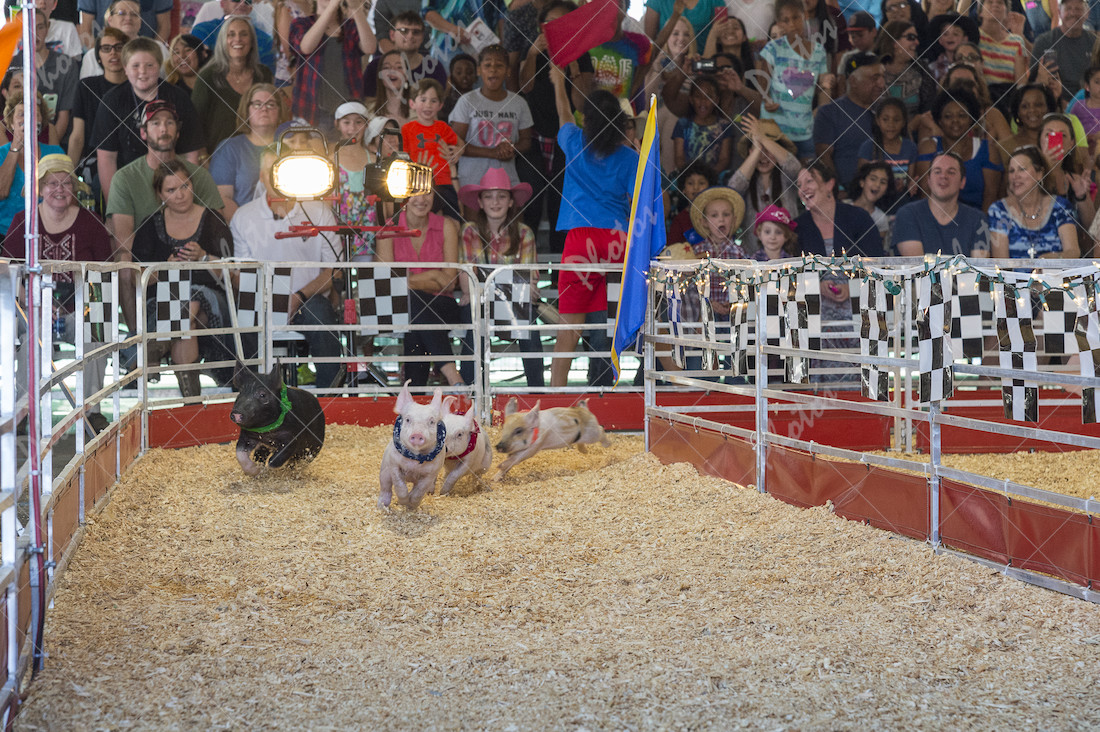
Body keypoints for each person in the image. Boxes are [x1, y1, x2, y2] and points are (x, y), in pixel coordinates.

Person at [2, 154, 112, 432]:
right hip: (35, 306)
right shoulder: (23, 221)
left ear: (74, 188)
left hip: (79, 306)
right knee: (33, 336)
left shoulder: (91, 222)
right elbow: (8, 270)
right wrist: (31, 300)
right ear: (40, 188)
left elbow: (104, 273)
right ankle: (24, 412)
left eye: (66, 183)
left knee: (95, 331)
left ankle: (92, 411)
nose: (60, 189)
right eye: (52, 183)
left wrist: (84, 306)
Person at [548, 65, 638, 388]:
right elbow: (639, 203)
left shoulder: (573, 142)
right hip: (619, 240)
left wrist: (559, 83)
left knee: (569, 330)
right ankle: (671, 386)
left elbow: (563, 115)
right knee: (634, 319)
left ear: (586, 120)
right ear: (621, 124)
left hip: (580, 241)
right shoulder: (630, 158)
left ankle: (555, 396)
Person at [231, 144, 345, 389]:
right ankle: (250, 395)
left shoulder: (319, 211)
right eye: (272, 171)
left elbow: (335, 270)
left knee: (321, 313)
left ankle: (330, 397)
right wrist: (271, 299)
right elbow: (240, 275)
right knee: (245, 317)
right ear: (262, 176)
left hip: (308, 300)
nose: (278, 177)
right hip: (262, 301)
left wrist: (298, 296)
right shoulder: (243, 216)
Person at [106, 100, 224, 331]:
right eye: (155, 123)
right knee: (124, 261)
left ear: (178, 132)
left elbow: (219, 232)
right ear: (143, 132)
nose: (163, 129)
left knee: (191, 306)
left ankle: (157, 343)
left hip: (197, 269)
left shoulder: (199, 176)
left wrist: (195, 257)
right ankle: (136, 338)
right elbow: (124, 243)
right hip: (151, 267)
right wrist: (161, 265)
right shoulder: (125, 178)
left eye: (170, 123)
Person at [131, 158, 235, 395]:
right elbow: (137, 278)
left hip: (211, 305)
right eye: (171, 190)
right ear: (159, 194)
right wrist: (164, 268)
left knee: (191, 300)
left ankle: (156, 347)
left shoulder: (213, 219)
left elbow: (230, 273)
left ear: (192, 185)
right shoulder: (150, 225)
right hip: (163, 304)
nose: (180, 195)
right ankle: (191, 402)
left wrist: (204, 257)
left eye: (185, 186)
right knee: (186, 321)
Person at [456, 167, 543, 387]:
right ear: (480, 202)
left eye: (502, 196)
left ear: (511, 201)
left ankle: (538, 392)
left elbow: (529, 286)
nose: (495, 202)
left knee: (530, 325)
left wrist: (484, 285)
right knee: (476, 323)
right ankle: (470, 393)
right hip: (483, 306)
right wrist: (512, 285)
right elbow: (466, 285)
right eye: (489, 196)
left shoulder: (525, 233)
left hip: (513, 306)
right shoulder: (469, 231)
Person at [90, 37, 205, 204]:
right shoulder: (112, 101)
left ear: (159, 67)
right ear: (125, 69)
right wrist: (114, 206)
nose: (142, 72)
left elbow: (191, 153)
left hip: (172, 182)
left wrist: (186, 198)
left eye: (149, 65)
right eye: (135, 66)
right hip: (128, 182)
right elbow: (106, 158)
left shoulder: (178, 97)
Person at [375, 191, 465, 388]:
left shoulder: (446, 226)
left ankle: (414, 393)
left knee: (415, 310)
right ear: (403, 195)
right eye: (414, 193)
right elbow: (387, 283)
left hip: (442, 305)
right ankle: (452, 375)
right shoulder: (388, 227)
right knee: (415, 307)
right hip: (401, 307)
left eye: (427, 193)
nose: (421, 200)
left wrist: (407, 282)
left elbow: (449, 282)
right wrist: (433, 275)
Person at [449, 44, 533, 193]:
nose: (493, 69)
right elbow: (455, 143)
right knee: (473, 210)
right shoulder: (467, 101)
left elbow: (526, 141)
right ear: (479, 70)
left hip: (506, 180)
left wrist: (511, 149)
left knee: (505, 208)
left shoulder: (519, 103)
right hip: (471, 180)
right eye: (487, 65)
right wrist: (493, 153)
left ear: (508, 71)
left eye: (499, 65)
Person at [759, 0, 833, 161]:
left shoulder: (819, 51)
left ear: (804, 16)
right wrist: (767, 100)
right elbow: (763, 85)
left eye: (796, 17)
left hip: (805, 132)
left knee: (807, 172)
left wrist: (819, 111)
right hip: (776, 133)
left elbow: (823, 89)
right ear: (779, 23)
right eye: (785, 20)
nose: (792, 24)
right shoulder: (772, 49)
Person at [191, 16, 275, 153]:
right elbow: (194, 125)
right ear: (223, 41)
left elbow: (273, 117)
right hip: (217, 157)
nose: (238, 39)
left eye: (243, 34)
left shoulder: (263, 75)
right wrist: (202, 158)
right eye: (231, 34)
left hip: (259, 155)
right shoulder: (207, 77)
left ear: (252, 41)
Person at [288, 0, 376, 126]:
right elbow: (306, 47)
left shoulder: (350, 25)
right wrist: (332, 6)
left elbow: (370, 48)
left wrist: (356, 8)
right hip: (311, 109)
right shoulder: (301, 23)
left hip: (348, 111)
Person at [915, 88, 1003, 212]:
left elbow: (990, 196)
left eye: (962, 116)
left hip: (977, 218)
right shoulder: (928, 147)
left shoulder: (988, 150)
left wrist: (980, 224)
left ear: (971, 119)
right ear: (939, 121)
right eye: (948, 116)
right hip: (936, 218)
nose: (955, 121)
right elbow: (925, 194)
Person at [67, 27, 127, 206]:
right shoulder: (86, 87)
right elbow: (77, 137)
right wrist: (68, 176)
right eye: (106, 48)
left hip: (131, 160)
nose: (113, 53)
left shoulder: (137, 87)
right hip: (93, 162)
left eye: (118, 47)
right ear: (98, 56)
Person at [209, 83, 286, 221]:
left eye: (271, 105)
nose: (264, 109)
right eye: (257, 104)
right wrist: (248, 226)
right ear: (247, 111)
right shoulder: (229, 148)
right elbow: (222, 198)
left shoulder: (291, 145)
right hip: (243, 225)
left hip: (287, 224)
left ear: (280, 112)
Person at [729, 114, 801, 255]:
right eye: (758, 150)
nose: (763, 156)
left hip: (788, 257)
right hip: (753, 258)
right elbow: (733, 188)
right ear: (750, 152)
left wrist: (762, 138)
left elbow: (794, 167)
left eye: (768, 150)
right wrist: (757, 148)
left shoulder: (787, 177)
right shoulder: (748, 179)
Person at [989, 145, 1079, 258]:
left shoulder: (1060, 206)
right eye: (1011, 171)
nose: (1015, 176)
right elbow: (1001, 263)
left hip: (1052, 270)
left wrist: (1050, 259)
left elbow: (1073, 252)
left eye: (1022, 169)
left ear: (1039, 173)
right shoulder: (999, 210)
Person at [813, 52, 886, 190]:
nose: (881, 84)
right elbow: (824, 156)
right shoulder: (830, 113)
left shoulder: (888, 111)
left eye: (883, 77)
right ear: (853, 81)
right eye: (874, 78)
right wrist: (837, 190)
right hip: (848, 191)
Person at [894, 151, 989, 255]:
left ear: (962, 182)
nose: (943, 176)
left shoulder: (977, 219)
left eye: (951, 172)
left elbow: (979, 263)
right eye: (937, 171)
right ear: (928, 180)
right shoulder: (908, 214)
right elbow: (917, 263)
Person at [0, 93, 64, 234]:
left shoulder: (55, 153)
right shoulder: (1, 154)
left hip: (47, 232)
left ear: (41, 121)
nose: (28, 119)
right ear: (11, 122)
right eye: (22, 114)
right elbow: (1, 192)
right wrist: (16, 145)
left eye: (35, 114)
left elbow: (68, 196)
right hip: (6, 233)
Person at [795, 161, 884, 257]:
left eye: (809, 181)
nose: (803, 189)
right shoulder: (797, 227)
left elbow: (875, 260)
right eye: (799, 185)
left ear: (829, 184)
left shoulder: (860, 218)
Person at [403, 79, 461, 220]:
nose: (428, 105)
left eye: (433, 101)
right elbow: (403, 158)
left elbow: (460, 143)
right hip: (419, 185)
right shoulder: (407, 129)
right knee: (422, 220)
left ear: (440, 105)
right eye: (423, 100)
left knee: (453, 219)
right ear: (412, 103)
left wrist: (459, 150)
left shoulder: (443, 127)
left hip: (444, 182)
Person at [690, 187, 748, 317]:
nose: (721, 219)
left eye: (726, 214)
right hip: (704, 314)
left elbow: (745, 284)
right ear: (704, 222)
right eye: (714, 215)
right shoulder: (697, 252)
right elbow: (691, 286)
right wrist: (707, 302)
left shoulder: (739, 253)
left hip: (733, 313)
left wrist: (735, 301)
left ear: (733, 219)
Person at [332, 101, 377, 260]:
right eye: (346, 122)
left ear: (366, 125)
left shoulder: (374, 161)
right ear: (337, 124)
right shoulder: (330, 161)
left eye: (358, 122)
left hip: (367, 239)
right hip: (334, 237)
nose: (352, 128)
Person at [363, 12, 445, 99]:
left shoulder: (434, 67)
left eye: (416, 32)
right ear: (392, 35)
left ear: (422, 37)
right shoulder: (375, 66)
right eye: (404, 31)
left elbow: (439, 101)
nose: (410, 36)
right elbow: (367, 100)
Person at [1037, 113, 1095, 232]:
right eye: (1049, 134)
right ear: (1039, 141)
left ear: (1071, 144)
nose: (1056, 139)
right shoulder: (1027, 176)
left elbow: (1092, 228)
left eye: (1062, 135)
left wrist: (1081, 197)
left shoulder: (1075, 180)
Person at [857, 97, 916, 212]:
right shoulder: (868, 147)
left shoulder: (910, 147)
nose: (891, 124)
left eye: (896, 120)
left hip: (900, 200)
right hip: (875, 199)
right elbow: (862, 181)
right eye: (885, 119)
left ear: (904, 122)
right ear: (878, 121)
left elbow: (910, 179)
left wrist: (908, 185)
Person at [31, 11, 80, 146]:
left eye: (40, 27)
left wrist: (49, 150)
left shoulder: (67, 64)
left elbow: (64, 116)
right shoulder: (11, 65)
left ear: (48, 28)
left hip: (55, 143)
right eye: (29, 27)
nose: (34, 33)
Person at [1032, 0, 1094, 97]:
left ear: (1087, 14)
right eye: (1068, 9)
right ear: (1059, 12)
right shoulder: (1043, 42)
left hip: (1088, 101)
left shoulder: (1095, 44)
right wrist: (1040, 82)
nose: (1073, 13)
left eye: (1078, 9)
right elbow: (1031, 84)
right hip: (1053, 101)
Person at [190, 0, 278, 69]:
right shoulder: (202, 30)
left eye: (248, 1)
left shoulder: (266, 41)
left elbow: (267, 78)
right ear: (223, 4)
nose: (242, 3)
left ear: (251, 8)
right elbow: (194, 67)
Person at [874, 20, 936, 116]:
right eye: (911, 37)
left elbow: (928, 109)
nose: (917, 42)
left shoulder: (922, 69)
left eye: (916, 38)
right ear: (894, 42)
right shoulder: (873, 67)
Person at [671, 75, 732, 172]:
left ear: (716, 100)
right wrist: (691, 176)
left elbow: (724, 159)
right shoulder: (682, 125)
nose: (703, 101)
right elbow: (679, 158)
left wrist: (708, 176)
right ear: (691, 99)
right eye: (698, 96)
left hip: (714, 178)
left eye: (708, 97)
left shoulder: (724, 126)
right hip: (687, 177)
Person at [977, 0, 1028, 110]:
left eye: (1000, 2)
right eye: (990, 2)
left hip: (1008, 100)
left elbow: (1021, 82)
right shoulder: (974, 36)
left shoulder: (1017, 41)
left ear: (1006, 13)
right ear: (980, 12)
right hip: (982, 99)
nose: (995, 5)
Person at [78, 0, 170, 48]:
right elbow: (86, 28)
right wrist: (99, 54)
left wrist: (152, 53)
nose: (128, 18)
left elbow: (164, 27)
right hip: (105, 50)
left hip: (145, 51)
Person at [643, 0, 727, 51]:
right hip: (665, 61)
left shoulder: (714, 1)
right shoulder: (656, 1)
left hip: (702, 60)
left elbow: (722, 36)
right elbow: (649, 40)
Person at [847, 161, 894, 250]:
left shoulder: (881, 218)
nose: (877, 185)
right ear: (862, 182)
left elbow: (876, 250)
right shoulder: (844, 209)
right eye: (873, 179)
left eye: (883, 182)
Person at [925, 11, 980, 81]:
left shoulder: (972, 65)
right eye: (945, 34)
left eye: (955, 34)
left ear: (965, 39)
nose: (950, 37)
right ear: (940, 40)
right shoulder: (932, 68)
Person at [367, 49, 411, 123]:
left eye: (399, 67)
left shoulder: (419, 108)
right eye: (386, 67)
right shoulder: (369, 112)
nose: (392, 70)